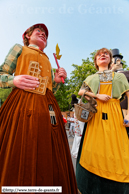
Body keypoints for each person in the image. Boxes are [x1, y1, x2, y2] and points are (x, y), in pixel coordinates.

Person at [0, 23, 78, 194]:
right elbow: (1, 74)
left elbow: (50, 89)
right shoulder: (19, 48)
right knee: (21, 147)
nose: (43, 34)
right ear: (27, 35)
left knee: (49, 151)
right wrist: (14, 80)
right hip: (22, 103)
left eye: (45, 34)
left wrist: (56, 81)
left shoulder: (48, 59)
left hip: (48, 107)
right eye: (38, 31)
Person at [76, 48, 129, 194]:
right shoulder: (91, 78)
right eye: (99, 54)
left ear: (111, 60)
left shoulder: (120, 77)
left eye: (106, 54)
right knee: (93, 150)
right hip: (96, 115)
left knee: (118, 152)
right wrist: (96, 95)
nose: (103, 55)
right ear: (96, 61)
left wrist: (128, 115)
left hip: (115, 115)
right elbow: (81, 92)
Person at [111, 48, 129, 118]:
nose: (110, 65)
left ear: (118, 61)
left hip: (125, 110)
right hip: (114, 110)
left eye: (111, 62)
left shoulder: (126, 74)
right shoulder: (111, 76)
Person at [70, 94, 85, 159]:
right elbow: (81, 124)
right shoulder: (79, 111)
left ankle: (74, 152)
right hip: (80, 130)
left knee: (76, 140)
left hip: (77, 130)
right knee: (79, 140)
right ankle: (76, 153)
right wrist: (83, 132)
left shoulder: (75, 111)